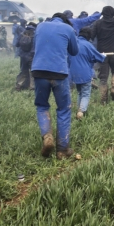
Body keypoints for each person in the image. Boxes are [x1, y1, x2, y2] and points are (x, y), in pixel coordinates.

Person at [31, 13, 79, 159]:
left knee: (42, 106)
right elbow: (74, 51)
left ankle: (47, 137)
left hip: (39, 71)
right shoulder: (67, 29)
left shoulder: (40, 26)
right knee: (64, 109)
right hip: (59, 73)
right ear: (65, 21)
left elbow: (37, 46)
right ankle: (62, 150)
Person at [70, 27, 106, 119]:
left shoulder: (73, 43)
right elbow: (99, 57)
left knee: (79, 92)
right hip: (85, 73)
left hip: (73, 73)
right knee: (85, 93)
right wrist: (103, 55)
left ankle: (79, 108)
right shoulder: (88, 45)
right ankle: (81, 112)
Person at [15, 22, 37, 91]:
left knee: (23, 71)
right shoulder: (35, 34)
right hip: (32, 56)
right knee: (32, 72)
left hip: (22, 56)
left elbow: (17, 44)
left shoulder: (22, 33)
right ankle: (32, 87)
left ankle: (19, 85)